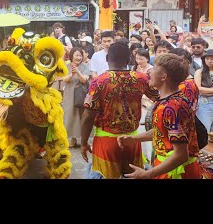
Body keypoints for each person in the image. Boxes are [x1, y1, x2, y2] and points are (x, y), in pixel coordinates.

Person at [118, 54, 206, 179]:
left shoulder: (171, 107)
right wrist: (134, 139)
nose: (149, 72)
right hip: (168, 167)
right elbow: (162, 131)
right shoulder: (171, 100)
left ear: (164, 77)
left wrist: (147, 174)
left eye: (153, 69)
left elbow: (181, 155)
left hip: (176, 172)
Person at [80, 42, 158, 179]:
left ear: (107, 58)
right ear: (129, 60)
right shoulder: (141, 78)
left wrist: (84, 142)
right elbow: (161, 97)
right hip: (132, 140)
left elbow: (88, 116)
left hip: (106, 142)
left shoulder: (99, 82)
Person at [62, 47, 91, 148]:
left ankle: (84, 140)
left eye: (80, 55)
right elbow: (64, 79)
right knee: (70, 115)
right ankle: (72, 138)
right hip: (69, 93)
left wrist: (77, 72)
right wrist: (72, 74)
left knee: (83, 116)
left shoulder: (86, 66)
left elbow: (84, 79)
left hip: (82, 95)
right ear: (71, 56)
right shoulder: (66, 66)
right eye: (76, 55)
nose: (78, 57)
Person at [194, 49, 213, 135]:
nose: (210, 61)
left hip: (206, 99)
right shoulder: (199, 72)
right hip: (204, 103)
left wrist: (207, 90)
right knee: (205, 130)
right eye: (207, 58)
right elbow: (198, 89)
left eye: (212, 59)